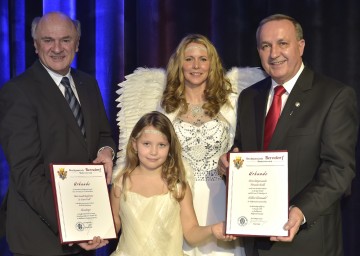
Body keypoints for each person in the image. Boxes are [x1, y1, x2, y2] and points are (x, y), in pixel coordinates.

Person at [218, 14, 359, 256]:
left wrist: (300, 211)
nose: (274, 53)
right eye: (265, 46)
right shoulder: (250, 97)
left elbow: (339, 170)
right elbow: (244, 147)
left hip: (308, 242)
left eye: (283, 43)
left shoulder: (334, 96)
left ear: (301, 46)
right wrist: (230, 160)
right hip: (256, 243)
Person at [115, 34, 266, 255]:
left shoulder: (231, 103)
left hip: (221, 198)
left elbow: (245, 146)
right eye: (189, 59)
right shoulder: (164, 106)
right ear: (179, 64)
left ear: (212, 64)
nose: (196, 65)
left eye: (203, 59)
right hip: (177, 198)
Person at [0, 12, 116, 255]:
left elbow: (103, 135)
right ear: (35, 44)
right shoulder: (18, 92)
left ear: (77, 43)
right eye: (47, 40)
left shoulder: (89, 84)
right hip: (41, 236)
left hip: (85, 228)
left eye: (65, 40)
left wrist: (107, 151)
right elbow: (26, 172)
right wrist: (71, 225)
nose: (57, 48)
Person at [110, 111, 235, 256]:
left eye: (161, 145)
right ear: (134, 145)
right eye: (146, 144)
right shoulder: (120, 183)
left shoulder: (178, 186)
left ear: (170, 148)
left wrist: (212, 229)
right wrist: (94, 232)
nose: (153, 152)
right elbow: (114, 222)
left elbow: (191, 232)